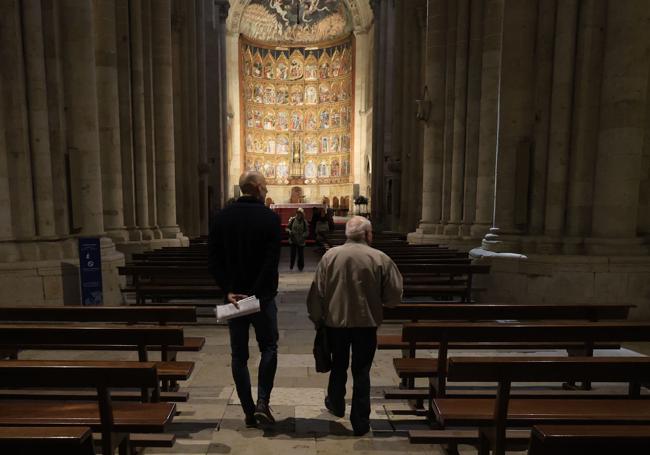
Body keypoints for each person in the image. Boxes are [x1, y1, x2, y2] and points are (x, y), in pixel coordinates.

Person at [306, 216, 403, 436]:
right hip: (366, 324)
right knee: (362, 371)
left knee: (338, 364)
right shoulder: (380, 258)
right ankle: (360, 421)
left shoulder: (330, 256)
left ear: (346, 234)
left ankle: (336, 403)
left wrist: (317, 319)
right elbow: (394, 296)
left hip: (335, 323)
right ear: (368, 235)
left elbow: (316, 292)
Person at [208, 171, 281, 428]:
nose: (267, 189)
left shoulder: (220, 218)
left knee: (239, 355)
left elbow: (214, 261)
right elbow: (271, 262)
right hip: (261, 298)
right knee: (269, 347)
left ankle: (249, 411)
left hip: (233, 300)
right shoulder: (270, 219)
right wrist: (256, 292)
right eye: (264, 185)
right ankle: (262, 402)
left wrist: (228, 290)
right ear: (256, 187)